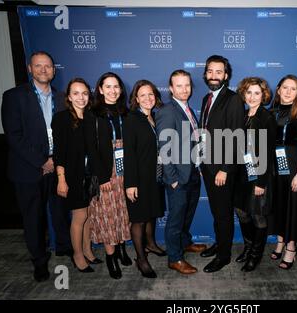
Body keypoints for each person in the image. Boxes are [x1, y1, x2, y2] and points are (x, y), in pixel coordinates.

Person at [1, 51, 72, 282]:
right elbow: (14, 136)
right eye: (38, 66)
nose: (43, 70)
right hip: (29, 170)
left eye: (48, 66)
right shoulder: (13, 96)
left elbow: (67, 133)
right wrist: (43, 161)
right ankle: (39, 262)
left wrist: (56, 161)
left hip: (58, 166)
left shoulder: (62, 98)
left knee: (60, 212)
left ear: (54, 70)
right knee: (34, 218)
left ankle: (64, 248)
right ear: (30, 69)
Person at [155, 70, 206, 275]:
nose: (184, 89)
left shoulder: (187, 109)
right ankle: (174, 258)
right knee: (176, 219)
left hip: (192, 172)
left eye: (187, 85)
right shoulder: (167, 111)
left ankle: (184, 243)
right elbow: (164, 148)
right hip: (178, 177)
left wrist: (198, 166)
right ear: (171, 88)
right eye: (179, 85)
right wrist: (172, 179)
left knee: (187, 214)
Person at [199, 55, 245, 273]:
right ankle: (220, 243)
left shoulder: (233, 99)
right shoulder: (206, 99)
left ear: (226, 75)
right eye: (210, 71)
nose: (214, 76)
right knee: (217, 211)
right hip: (207, 166)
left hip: (222, 169)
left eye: (219, 72)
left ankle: (224, 255)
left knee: (224, 213)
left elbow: (237, 137)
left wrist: (225, 169)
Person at [52, 78, 102, 273]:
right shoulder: (61, 119)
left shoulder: (91, 117)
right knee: (79, 216)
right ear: (69, 97)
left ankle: (88, 250)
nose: (81, 97)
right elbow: (59, 153)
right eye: (76, 93)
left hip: (91, 175)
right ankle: (78, 255)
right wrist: (61, 179)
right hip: (72, 176)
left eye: (84, 93)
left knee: (89, 215)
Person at [85, 72, 132, 279]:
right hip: (106, 171)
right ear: (101, 89)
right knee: (108, 216)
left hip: (126, 169)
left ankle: (122, 247)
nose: (113, 91)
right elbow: (91, 150)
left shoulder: (126, 113)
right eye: (108, 87)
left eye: (116, 87)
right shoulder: (93, 114)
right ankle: (111, 257)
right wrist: (102, 177)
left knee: (124, 211)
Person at [268, 75, 297, 270]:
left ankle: (291, 247)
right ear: (278, 90)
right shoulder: (271, 112)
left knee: (292, 206)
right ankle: (280, 240)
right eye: (285, 87)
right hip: (274, 167)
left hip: (294, 165)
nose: (288, 92)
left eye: (293, 88)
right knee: (278, 204)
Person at [124, 80, 166, 278]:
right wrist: (130, 183)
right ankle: (141, 259)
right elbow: (129, 154)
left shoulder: (155, 117)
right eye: (142, 95)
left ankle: (151, 244)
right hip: (138, 178)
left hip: (155, 175)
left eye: (150, 94)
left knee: (151, 213)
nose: (147, 98)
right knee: (139, 219)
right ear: (136, 99)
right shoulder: (132, 119)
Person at [234, 77, 276, 272]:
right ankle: (248, 247)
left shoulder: (266, 118)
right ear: (243, 94)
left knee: (258, 215)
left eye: (257, 93)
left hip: (259, 174)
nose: (252, 97)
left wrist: (261, 181)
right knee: (242, 212)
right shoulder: (241, 115)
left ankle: (255, 255)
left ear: (264, 95)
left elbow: (267, 153)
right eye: (248, 92)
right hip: (241, 174)